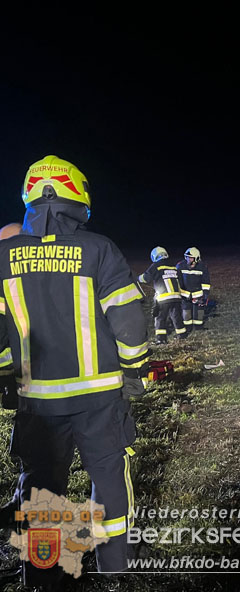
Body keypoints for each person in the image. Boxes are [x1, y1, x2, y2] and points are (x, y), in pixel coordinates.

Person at [0, 155, 150, 585]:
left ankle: (44, 574)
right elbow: (127, 318)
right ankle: (113, 566)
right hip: (99, 398)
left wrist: (9, 380)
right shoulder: (99, 249)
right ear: (78, 195)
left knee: (42, 488)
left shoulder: (4, 258)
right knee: (108, 478)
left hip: (38, 403)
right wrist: (135, 370)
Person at [139, 247, 188, 343]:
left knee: (160, 317)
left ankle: (161, 340)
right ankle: (182, 334)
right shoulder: (172, 265)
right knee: (176, 316)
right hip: (176, 296)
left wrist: (136, 278)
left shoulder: (156, 266)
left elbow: (146, 278)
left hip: (163, 297)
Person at [177, 247, 211, 331]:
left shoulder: (202, 267)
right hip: (185, 294)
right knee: (186, 312)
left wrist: (205, 295)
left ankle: (198, 327)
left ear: (197, 258)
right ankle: (187, 328)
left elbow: (206, 283)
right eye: (187, 257)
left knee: (199, 312)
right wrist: (181, 294)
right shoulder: (180, 266)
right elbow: (178, 281)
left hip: (198, 294)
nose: (188, 259)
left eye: (191, 257)